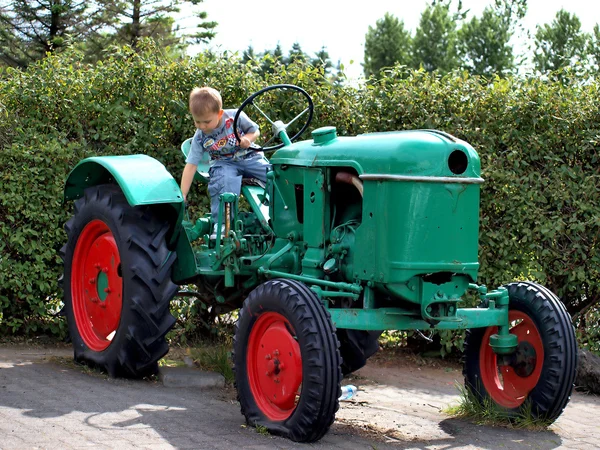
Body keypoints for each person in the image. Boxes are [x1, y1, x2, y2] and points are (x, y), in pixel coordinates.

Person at [180, 87, 269, 237]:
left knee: (275, 176)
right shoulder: (200, 136)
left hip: (249, 157)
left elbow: (255, 131)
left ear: (219, 113)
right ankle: (222, 225)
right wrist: (182, 194)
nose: (202, 126)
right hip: (224, 163)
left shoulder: (235, 116)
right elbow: (191, 165)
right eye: (197, 122)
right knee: (223, 181)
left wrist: (248, 139)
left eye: (207, 122)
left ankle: (286, 212)